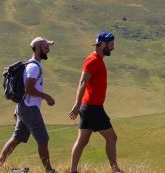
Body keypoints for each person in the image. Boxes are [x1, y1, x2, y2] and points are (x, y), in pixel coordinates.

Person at [68, 31, 123, 173]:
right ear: (102, 44)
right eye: (111, 45)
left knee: (82, 140)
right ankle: (115, 169)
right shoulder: (93, 60)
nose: (113, 48)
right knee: (112, 137)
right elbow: (82, 82)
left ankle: (73, 170)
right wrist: (77, 104)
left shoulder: (98, 59)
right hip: (92, 108)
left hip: (90, 107)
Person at [0, 37, 57, 173]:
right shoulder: (33, 67)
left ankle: (0, 163)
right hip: (30, 108)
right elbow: (29, 89)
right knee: (43, 139)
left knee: (17, 137)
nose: (48, 50)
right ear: (37, 49)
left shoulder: (31, 65)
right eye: (45, 47)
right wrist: (46, 96)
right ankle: (49, 170)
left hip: (24, 107)